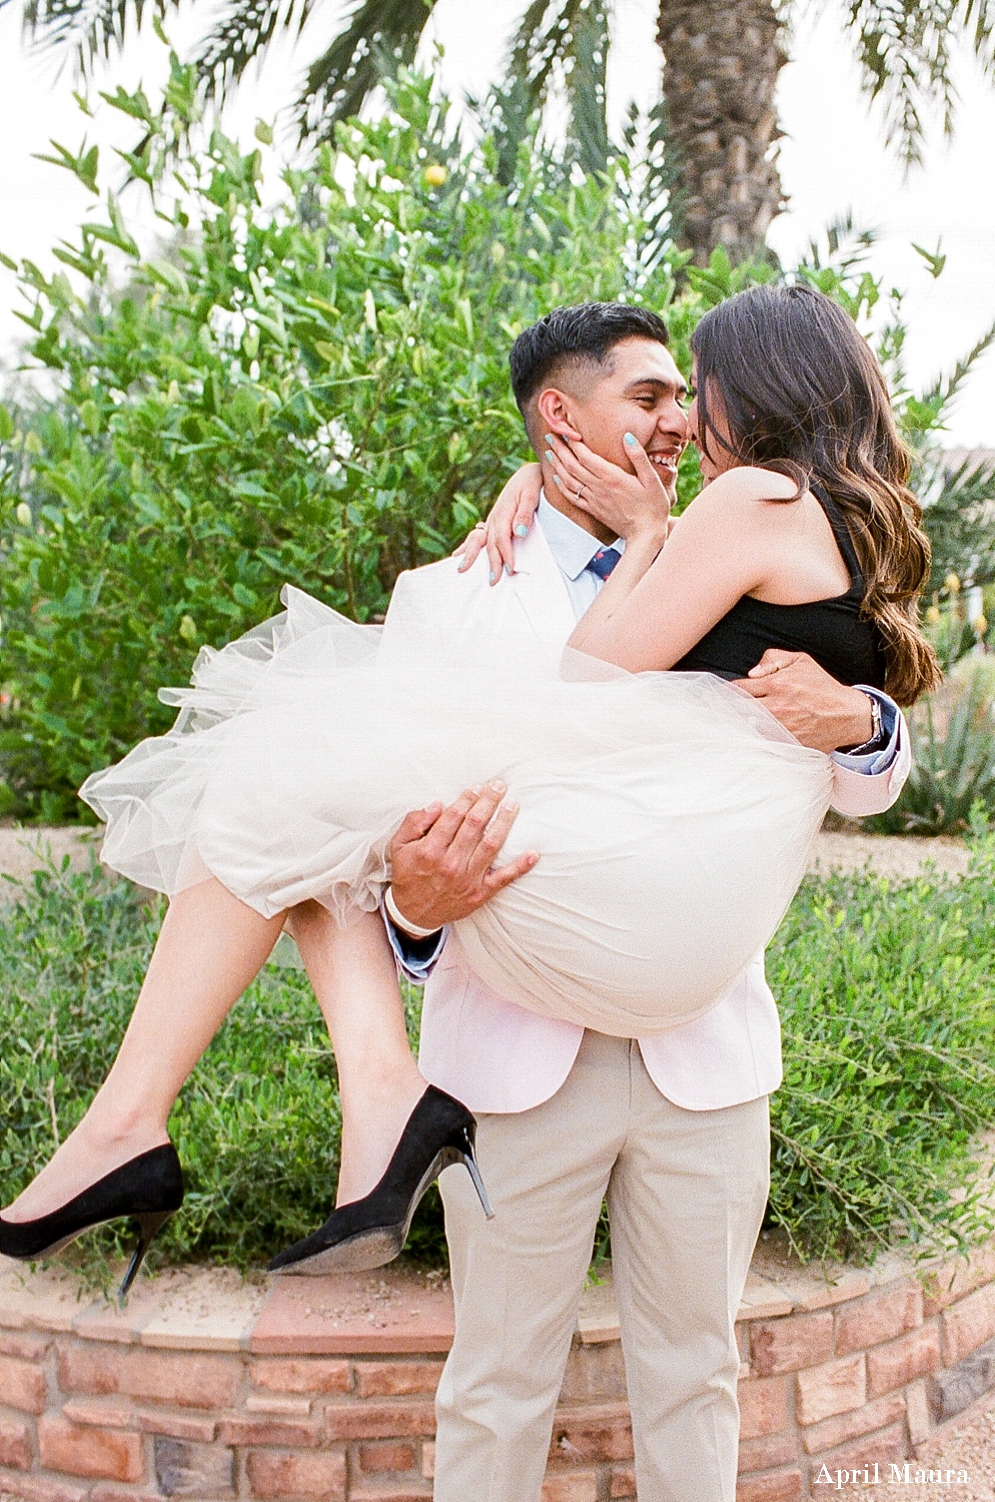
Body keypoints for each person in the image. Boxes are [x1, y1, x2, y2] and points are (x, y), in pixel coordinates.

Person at [0, 293, 929, 1349]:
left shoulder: (738, 508)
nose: (681, 417)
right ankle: (351, 1112)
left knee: (271, 764)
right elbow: (407, 868)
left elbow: (612, 677)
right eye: (650, 395)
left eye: (692, 389)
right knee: (287, 803)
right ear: (557, 420)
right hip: (532, 1017)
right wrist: (416, 910)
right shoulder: (452, 591)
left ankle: (231, 1111)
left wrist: (653, 546)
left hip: (673, 992)